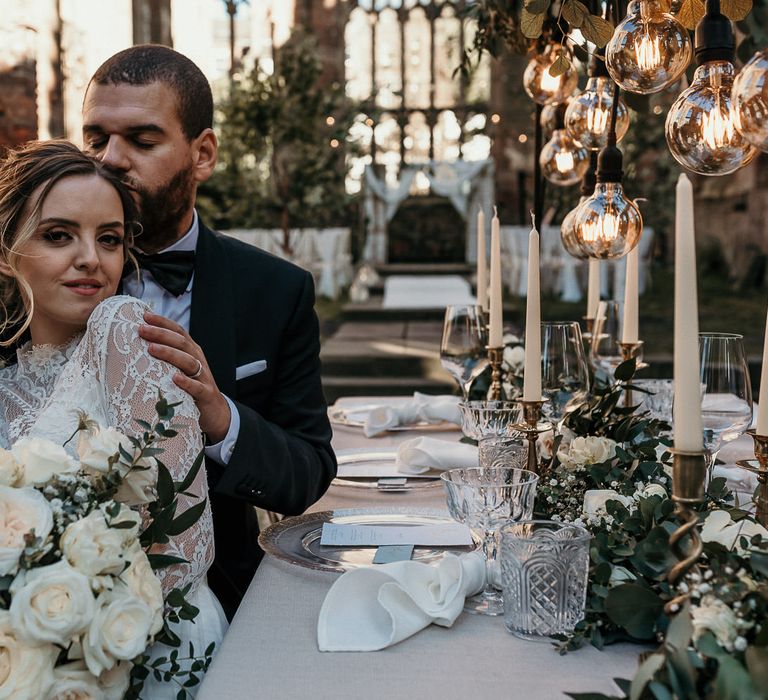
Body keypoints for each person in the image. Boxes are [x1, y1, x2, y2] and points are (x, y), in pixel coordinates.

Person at [81, 45, 336, 619]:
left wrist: (220, 418)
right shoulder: (36, 280)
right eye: (96, 138)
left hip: (220, 601)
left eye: (142, 141)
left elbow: (307, 472)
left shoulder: (276, 291)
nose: (111, 160)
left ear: (203, 154)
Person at [0, 139, 226, 698]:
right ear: (8, 252)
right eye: (59, 235)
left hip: (150, 648)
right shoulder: (6, 381)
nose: (91, 259)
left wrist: (85, 636)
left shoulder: (123, 330)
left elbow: (186, 545)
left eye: (109, 239)